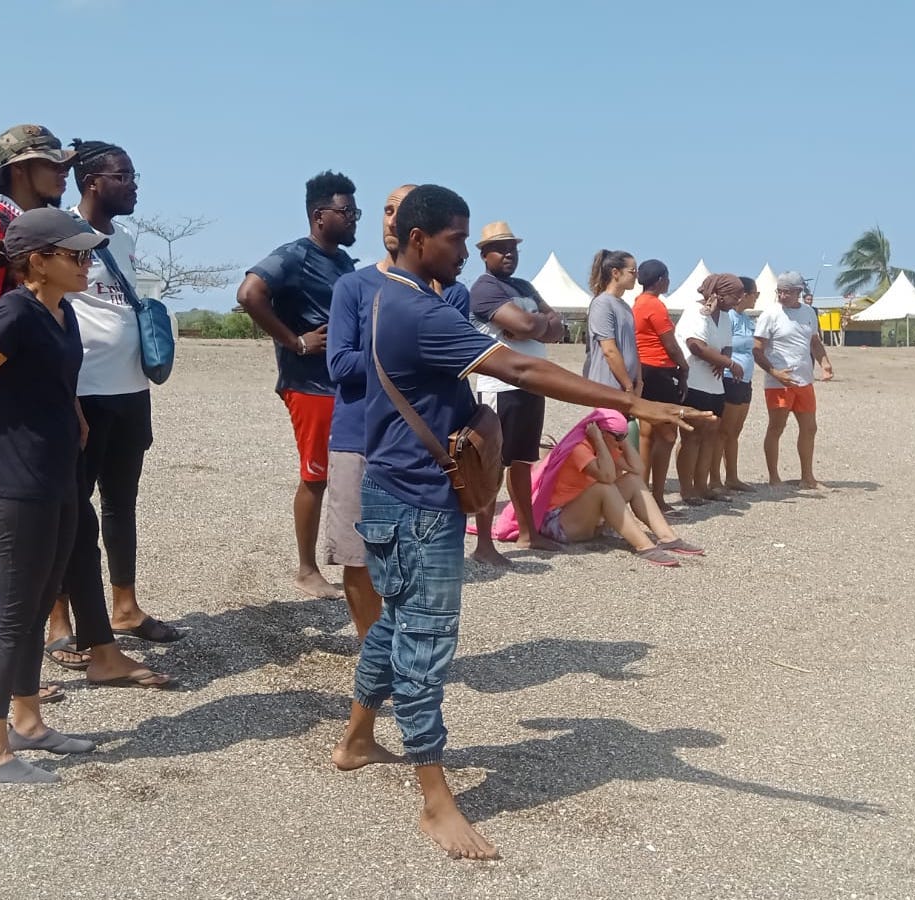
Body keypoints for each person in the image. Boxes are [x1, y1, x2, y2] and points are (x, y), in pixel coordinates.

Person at [331, 185, 712, 860]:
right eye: (455, 238)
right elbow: (519, 364)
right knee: (425, 647)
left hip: (396, 493)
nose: (467, 252)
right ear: (419, 240)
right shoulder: (419, 309)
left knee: (393, 624)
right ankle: (435, 800)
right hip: (420, 505)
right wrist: (634, 403)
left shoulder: (388, 292)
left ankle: (358, 738)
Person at [0, 208, 108, 783]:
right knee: (13, 612)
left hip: (59, 475)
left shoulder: (62, 314)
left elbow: (57, 383)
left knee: (39, 603)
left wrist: (77, 417)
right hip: (17, 482)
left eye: (89, 255)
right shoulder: (12, 314)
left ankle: (28, 723)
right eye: (77, 255)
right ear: (38, 261)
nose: (88, 264)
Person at [40, 139, 176, 688]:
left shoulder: (128, 239)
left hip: (130, 390)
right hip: (84, 390)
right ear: (94, 181)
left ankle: (126, 606)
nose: (135, 184)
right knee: (73, 511)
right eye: (124, 175)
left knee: (122, 502)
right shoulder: (57, 230)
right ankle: (59, 621)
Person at [0, 124, 77, 704]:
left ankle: (16, 684)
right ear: (18, 170)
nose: (63, 173)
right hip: (1, 410)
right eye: (50, 165)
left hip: (39, 409)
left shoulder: (33, 230)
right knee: (4, 564)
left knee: (33, 567)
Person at [325, 184, 470, 639]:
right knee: (357, 556)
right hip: (357, 438)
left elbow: (459, 363)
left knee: (417, 558)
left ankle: (408, 650)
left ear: (418, 229)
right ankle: (376, 653)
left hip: (422, 445)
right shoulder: (352, 285)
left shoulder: (452, 292)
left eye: (400, 210)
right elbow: (337, 363)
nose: (391, 218)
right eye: (386, 209)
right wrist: (402, 354)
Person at [237, 172, 358, 599]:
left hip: (343, 383)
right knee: (316, 476)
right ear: (319, 215)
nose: (354, 219)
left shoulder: (343, 262)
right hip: (310, 385)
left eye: (355, 211)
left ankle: (352, 561)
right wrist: (295, 341)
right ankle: (307, 569)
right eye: (347, 212)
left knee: (351, 473)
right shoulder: (294, 256)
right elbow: (250, 293)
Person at [469, 221, 565, 566]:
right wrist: (535, 324)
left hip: (530, 385)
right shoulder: (484, 289)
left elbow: (556, 328)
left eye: (513, 248)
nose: (509, 254)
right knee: (490, 466)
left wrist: (533, 326)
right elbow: (533, 325)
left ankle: (528, 533)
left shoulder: (523, 285)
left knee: (523, 460)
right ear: (484, 254)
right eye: (501, 249)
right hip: (500, 387)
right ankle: (483, 543)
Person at [492, 409, 704, 565]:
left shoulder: (610, 444)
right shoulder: (580, 448)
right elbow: (606, 475)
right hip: (557, 522)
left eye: (624, 435)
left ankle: (668, 537)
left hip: (580, 515)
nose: (621, 440)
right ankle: (644, 546)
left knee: (632, 481)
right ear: (599, 433)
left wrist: (621, 441)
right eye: (617, 436)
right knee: (604, 486)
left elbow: (637, 471)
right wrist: (600, 441)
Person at [754, 271, 834, 488]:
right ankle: (774, 477)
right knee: (777, 427)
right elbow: (758, 350)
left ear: (798, 292)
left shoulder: (808, 312)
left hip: (804, 380)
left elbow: (814, 342)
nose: (782, 295)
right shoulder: (770, 314)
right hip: (779, 382)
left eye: (787, 292)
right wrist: (774, 372)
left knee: (810, 428)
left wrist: (824, 363)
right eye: (779, 291)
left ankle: (807, 477)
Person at [674, 274, 744, 505]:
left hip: (714, 385)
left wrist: (724, 359)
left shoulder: (724, 316)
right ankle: (687, 489)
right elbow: (696, 345)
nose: (739, 299)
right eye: (735, 295)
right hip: (693, 381)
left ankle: (703, 486)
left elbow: (726, 346)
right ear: (720, 294)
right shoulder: (696, 312)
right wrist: (729, 364)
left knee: (710, 436)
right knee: (692, 436)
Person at [631, 259, 689, 516]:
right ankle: (656, 496)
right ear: (660, 280)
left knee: (646, 434)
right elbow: (670, 343)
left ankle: (642, 493)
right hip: (659, 370)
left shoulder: (637, 304)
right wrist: (684, 367)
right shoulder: (655, 305)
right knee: (667, 435)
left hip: (643, 370)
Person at [709, 276, 758, 493]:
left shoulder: (747, 320)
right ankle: (715, 478)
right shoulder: (729, 318)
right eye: (755, 294)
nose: (756, 298)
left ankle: (732, 476)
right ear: (744, 295)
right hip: (729, 378)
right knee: (722, 431)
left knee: (734, 432)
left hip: (745, 380)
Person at [583, 250, 641, 393]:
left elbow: (634, 347)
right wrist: (628, 385)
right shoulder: (602, 304)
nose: (636, 276)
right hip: (608, 386)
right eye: (632, 271)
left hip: (628, 386)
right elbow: (609, 349)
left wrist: (639, 381)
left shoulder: (625, 306)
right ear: (616, 273)